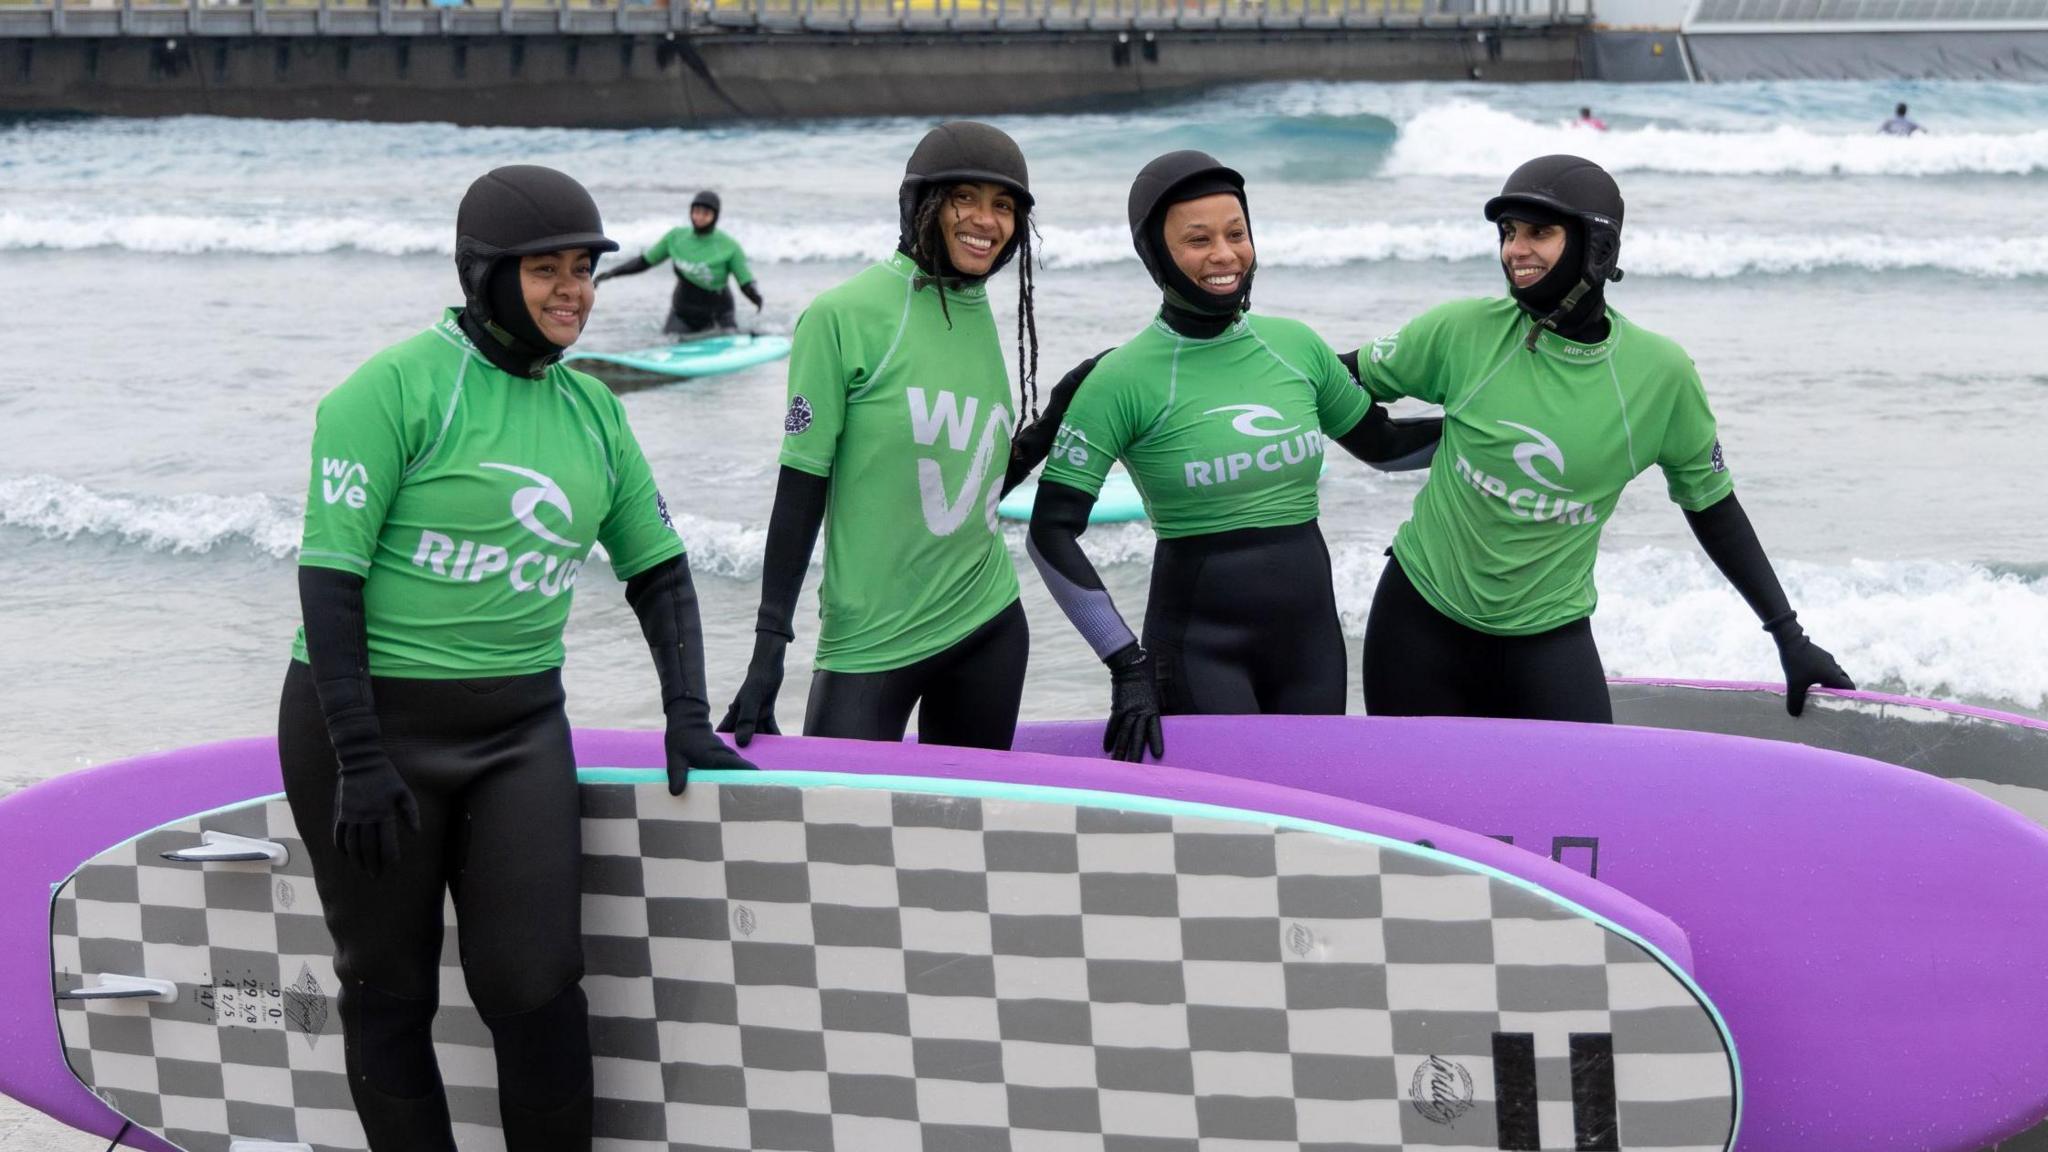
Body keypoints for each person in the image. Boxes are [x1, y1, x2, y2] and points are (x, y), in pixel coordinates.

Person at [280, 164, 753, 1152]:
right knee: (387, 983)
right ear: (486, 274)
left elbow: (659, 574)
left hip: (518, 733)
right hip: (371, 730)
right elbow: (330, 582)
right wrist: (360, 756)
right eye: (548, 269)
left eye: (584, 268)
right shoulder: (393, 390)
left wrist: (688, 714)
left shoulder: (594, 414)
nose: (574, 290)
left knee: (535, 990)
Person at [1346, 154, 1854, 723]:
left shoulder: (1657, 375)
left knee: (1573, 808)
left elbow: (1713, 507)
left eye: (1539, 232)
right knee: (1412, 805)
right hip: (1419, 620)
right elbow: (1334, 379)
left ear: (1598, 248)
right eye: (1508, 233)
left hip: (1547, 636)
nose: (1515, 250)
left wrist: (1789, 636)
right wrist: (1382, 443)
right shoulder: (1462, 332)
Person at [1025, 151, 1441, 762]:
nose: (1224, 254)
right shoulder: (1121, 379)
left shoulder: (1295, 348)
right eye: (1197, 239)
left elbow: (1384, 448)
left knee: (1312, 824)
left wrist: (1490, 430)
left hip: (1312, 648)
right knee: (1234, 843)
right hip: (1199, 649)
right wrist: (1125, 663)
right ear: (1156, 254)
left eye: (1236, 233)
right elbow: (1050, 534)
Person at [718, 121, 1044, 749]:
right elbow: (801, 487)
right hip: (870, 642)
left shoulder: (978, 312)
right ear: (921, 202)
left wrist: (1051, 421)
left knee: (966, 840)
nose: (986, 219)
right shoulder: (844, 316)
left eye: (1003, 205)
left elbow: (970, 488)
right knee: (841, 839)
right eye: (964, 198)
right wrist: (769, 650)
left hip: (989, 626)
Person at [594, 189, 763, 335]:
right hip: (683, 313)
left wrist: (756, 296)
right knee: (669, 342)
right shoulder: (675, 237)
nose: (699, 217)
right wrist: (611, 273)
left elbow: (745, 281)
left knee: (730, 341)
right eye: (696, 211)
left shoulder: (729, 246)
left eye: (706, 213)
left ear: (715, 216)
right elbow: (645, 262)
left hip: (718, 314)